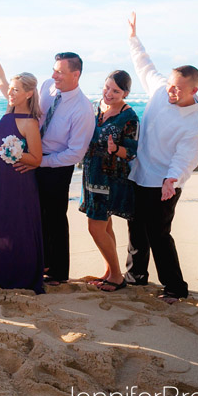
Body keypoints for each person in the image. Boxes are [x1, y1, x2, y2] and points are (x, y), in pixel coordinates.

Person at [124, 12, 198, 304]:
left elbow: (186, 157)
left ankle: (174, 287)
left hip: (164, 182)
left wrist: (172, 179)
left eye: (179, 89)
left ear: (193, 91)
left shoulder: (195, 123)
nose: (172, 91)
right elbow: (144, 64)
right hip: (139, 172)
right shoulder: (161, 90)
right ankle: (136, 277)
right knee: (136, 229)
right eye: (171, 85)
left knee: (158, 234)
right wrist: (133, 36)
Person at [5, 49, 95, 285]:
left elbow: (76, 153)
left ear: (76, 75)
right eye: (54, 71)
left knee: (54, 216)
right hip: (33, 157)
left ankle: (57, 271)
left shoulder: (83, 109)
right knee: (33, 213)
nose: (54, 76)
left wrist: (39, 161)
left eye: (60, 73)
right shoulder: (46, 86)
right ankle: (36, 261)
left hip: (56, 165)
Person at [0, 33, 44, 293]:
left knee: (17, 224)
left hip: (19, 178)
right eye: (10, 89)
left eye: (15, 90)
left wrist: (14, 154)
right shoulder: (9, 109)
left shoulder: (30, 122)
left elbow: (36, 158)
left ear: (28, 93)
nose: (10, 93)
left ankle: (18, 274)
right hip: (1, 174)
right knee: (0, 220)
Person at [80, 70, 139, 292]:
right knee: (106, 225)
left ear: (125, 93)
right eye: (107, 88)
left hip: (110, 177)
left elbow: (131, 153)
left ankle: (116, 276)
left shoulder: (129, 116)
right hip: (91, 173)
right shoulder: (97, 107)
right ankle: (109, 270)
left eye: (116, 91)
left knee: (95, 227)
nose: (109, 93)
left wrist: (116, 149)